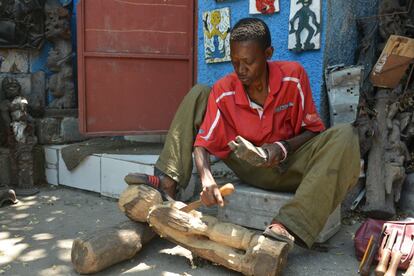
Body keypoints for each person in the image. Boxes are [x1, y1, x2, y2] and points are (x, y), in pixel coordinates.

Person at [126, 18, 362, 249]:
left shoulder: (294, 76)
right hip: (249, 167)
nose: (241, 70)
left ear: (268, 53)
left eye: (248, 62)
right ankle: (168, 182)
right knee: (200, 93)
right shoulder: (224, 89)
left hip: (290, 166)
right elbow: (203, 142)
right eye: (235, 61)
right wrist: (207, 177)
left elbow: (313, 130)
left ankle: (287, 227)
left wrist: (281, 148)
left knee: (344, 135)